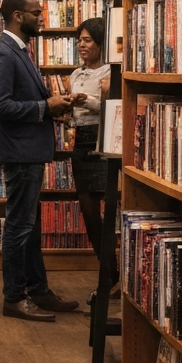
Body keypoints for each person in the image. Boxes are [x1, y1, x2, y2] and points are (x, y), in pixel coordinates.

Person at [0, 0, 80, 322]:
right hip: (21, 152)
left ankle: (38, 289)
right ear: (16, 16)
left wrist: (55, 105)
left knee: (30, 227)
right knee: (19, 227)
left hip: (29, 151)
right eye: (35, 12)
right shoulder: (4, 53)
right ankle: (13, 298)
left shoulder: (20, 51)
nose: (42, 18)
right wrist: (45, 107)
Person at [68, 17, 111, 264]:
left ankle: (114, 271)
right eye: (79, 41)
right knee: (88, 211)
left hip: (101, 138)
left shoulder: (111, 72)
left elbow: (113, 107)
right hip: (81, 141)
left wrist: (88, 101)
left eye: (88, 40)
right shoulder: (75, 74)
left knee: (110, 208)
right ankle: (108, 269)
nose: (82, 45)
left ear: (100, 43)